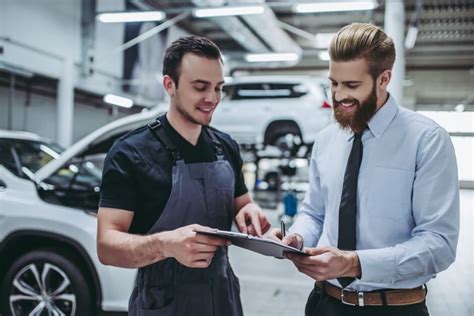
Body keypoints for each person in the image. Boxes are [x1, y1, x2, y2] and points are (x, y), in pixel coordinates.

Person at [271, 23, 459, 316]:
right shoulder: (326, 140)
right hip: (324, 304)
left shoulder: (427, 140)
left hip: (392, 308)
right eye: (334, 83)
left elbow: (439, 245)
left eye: (352, 86)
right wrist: (297, 237)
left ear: (384, 78)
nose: (338, 95)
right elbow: (314, 213)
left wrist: (355, 263)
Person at [97, 35, 270, 315]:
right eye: (200, 87)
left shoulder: (225, 146)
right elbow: (107, 246)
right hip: (163, 303)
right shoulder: (131, 152)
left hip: (223, 297)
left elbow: (242, 203)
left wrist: (249, 210)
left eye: (218, 88)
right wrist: (166, 245)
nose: (212, 98)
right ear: (170, 85)